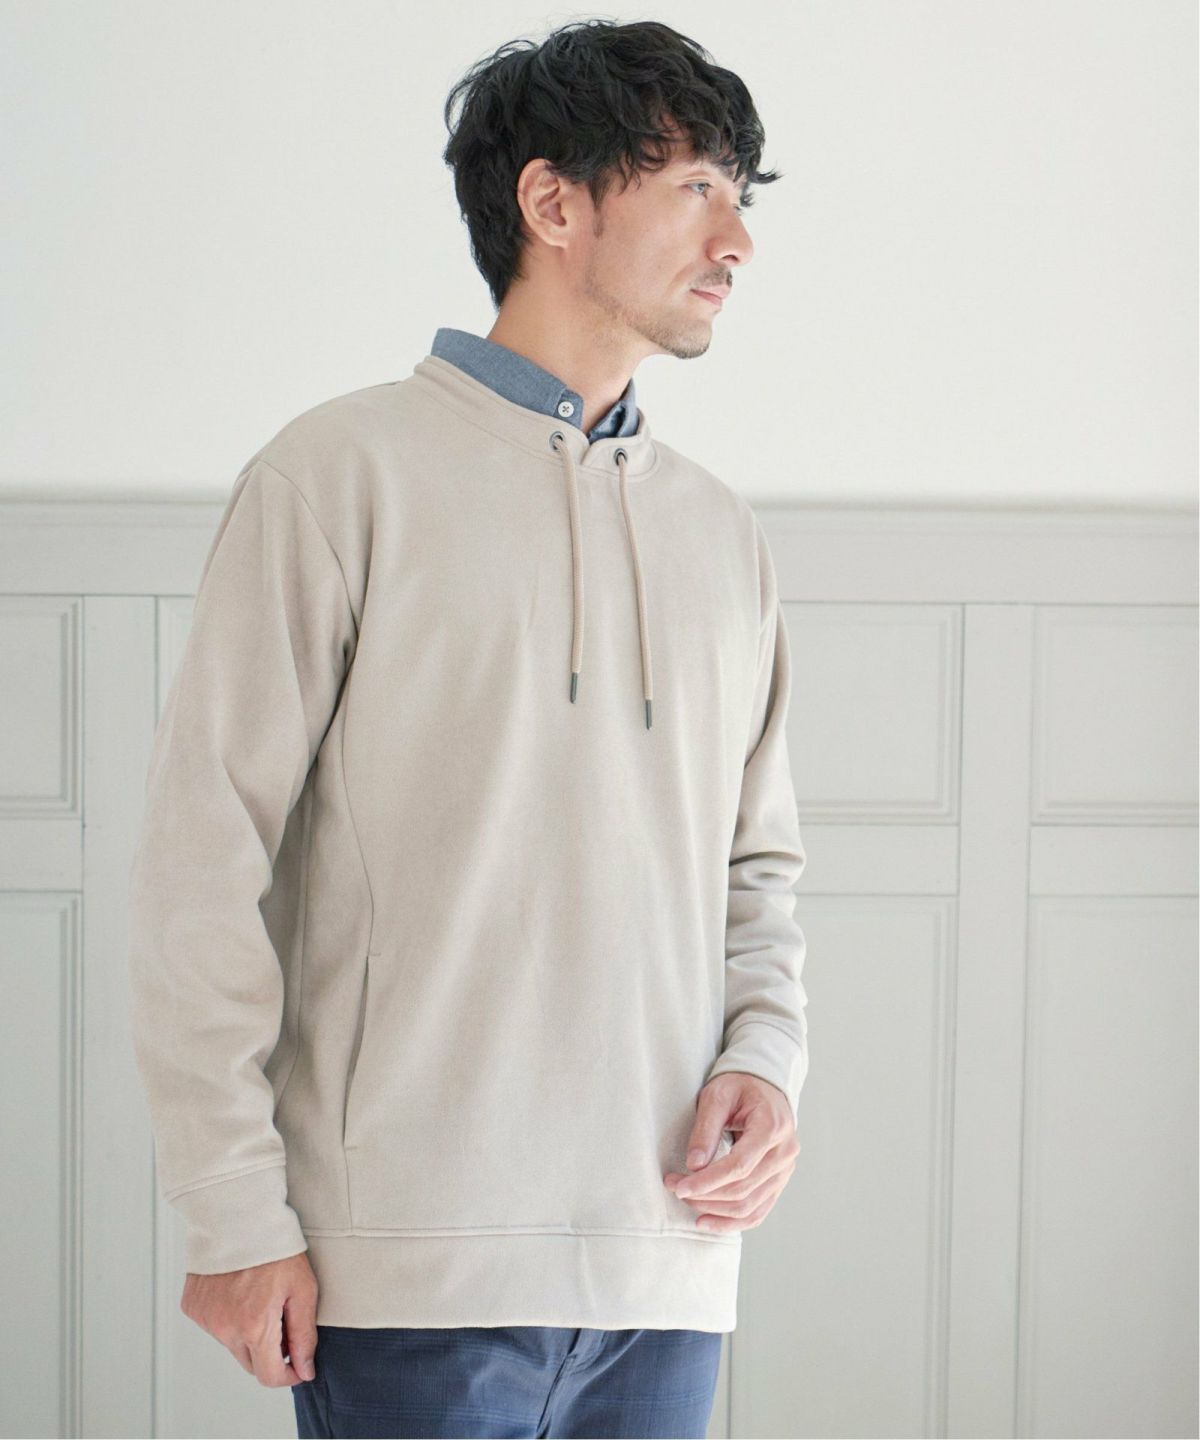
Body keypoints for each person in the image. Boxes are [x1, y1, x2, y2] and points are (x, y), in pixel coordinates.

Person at [127, 17, 810, 1439]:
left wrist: (764, 1061)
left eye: (741, 196)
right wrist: (232, 1210)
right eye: (696, 186)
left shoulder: (720, 535)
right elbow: (202, 865)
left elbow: (759, 872)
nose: (736, 240)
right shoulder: (336, 478)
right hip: (402, 1270)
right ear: (552, 201)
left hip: (667, 1266)